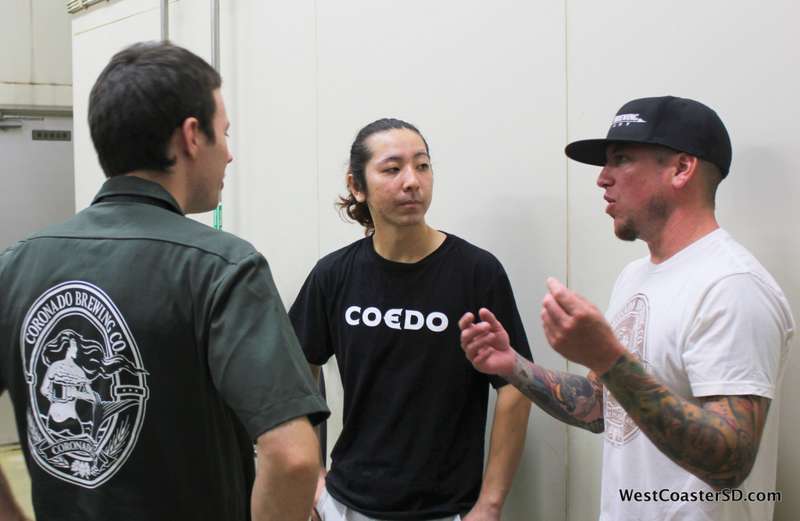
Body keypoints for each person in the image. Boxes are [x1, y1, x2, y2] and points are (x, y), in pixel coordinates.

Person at [0, 41, 329, 521]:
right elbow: (294, 457)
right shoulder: (223, 266)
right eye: (225, 134)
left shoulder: (16, 265)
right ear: (192, 136)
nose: (231, 155)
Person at [459, 96, 795, 520]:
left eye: (620, 160)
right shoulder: (636, 275)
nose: (602, 179)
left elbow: (731, 461)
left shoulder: (733, 287)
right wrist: (512, 366)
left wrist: (609, 358)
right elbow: (602, 406)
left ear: (681, 169)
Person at [289, 118, 533, 521]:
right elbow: (294, 375)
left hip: (446, 508)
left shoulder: (476, 272)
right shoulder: (334, 274)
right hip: (346, 504)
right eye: (392, 168)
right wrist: (312, 479)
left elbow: (515, 388)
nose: (412, 181)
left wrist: (490, 504)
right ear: (357, 185)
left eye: (422, 165)